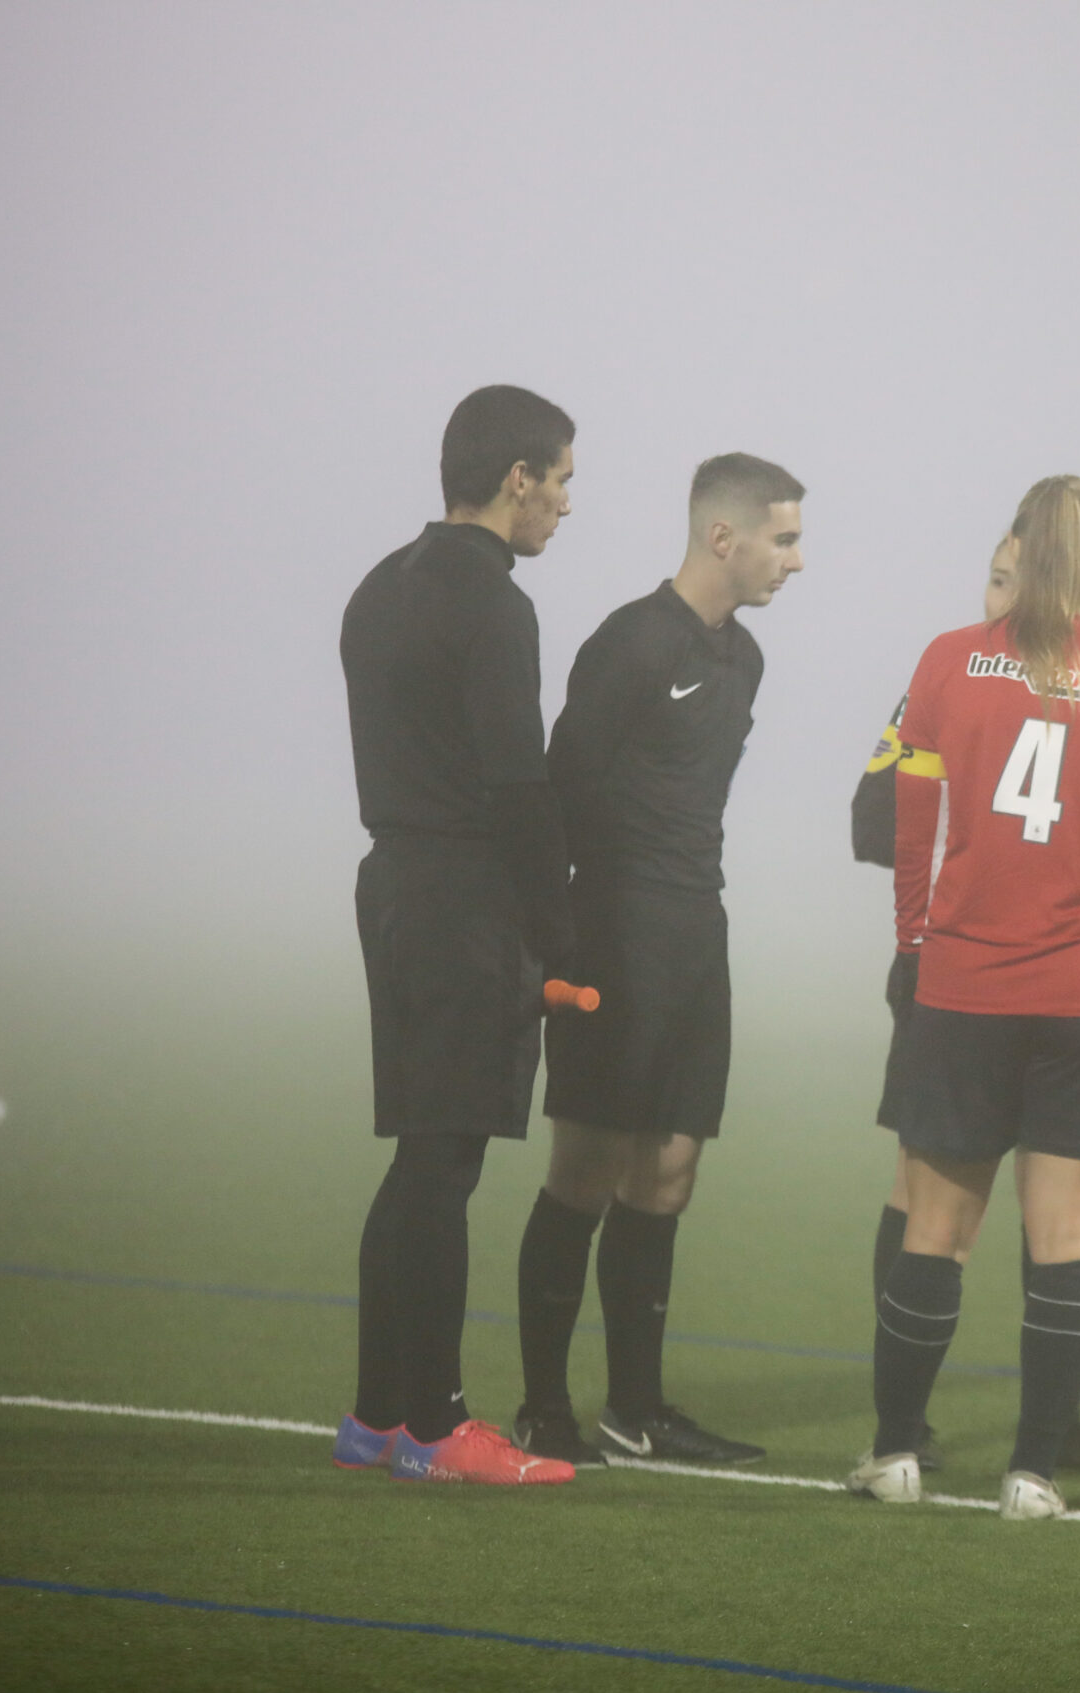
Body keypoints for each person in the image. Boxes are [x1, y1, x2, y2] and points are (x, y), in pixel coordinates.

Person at [847, 474, 1080, 1519]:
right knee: (1067, 1242)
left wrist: (910, 945)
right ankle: (1032, 1475)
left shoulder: (945, 662)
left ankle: (893, 1457)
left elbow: (912, 827)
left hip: (965, 987)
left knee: (933, 1233)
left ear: (1017, 546)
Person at [509, 453, 804, 1468]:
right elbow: (561, 792)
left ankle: (636, 1410)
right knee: (585, 1167)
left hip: (693, 934)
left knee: (670, 1170)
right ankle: (543, 1406)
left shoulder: (746, 659)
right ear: (722, 537)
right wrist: (558, 936)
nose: (795, 561)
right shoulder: (630, 643)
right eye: (784, 538)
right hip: (611, 933)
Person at [333, 384, 580, 1486]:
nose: (567, 505)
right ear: (514, 478)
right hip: (463, 902)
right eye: (562, 479)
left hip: (391, 885)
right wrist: (561, 934)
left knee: (419, 1162)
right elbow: (517, 790)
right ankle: (436, 1429)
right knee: (443, 1167)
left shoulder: (380, 585)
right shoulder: (493, 602)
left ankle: (376, 1421)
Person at [846, 535, 1018, 1472]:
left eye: (1013, 582)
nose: (996, 602)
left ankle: (1044, 1422)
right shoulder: (946, 673)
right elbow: (873, 817)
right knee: (924, 1196)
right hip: (949, 974)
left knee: (1061, 1203)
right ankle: (899, 1426)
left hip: (1069, 987)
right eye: (991, 578)